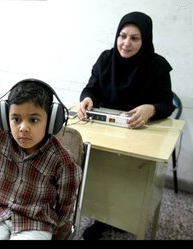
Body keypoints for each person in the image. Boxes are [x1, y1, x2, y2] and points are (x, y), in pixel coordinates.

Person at [77, 11, 175, 240]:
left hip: (140, 134)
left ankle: (126, 216)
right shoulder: (106, 59)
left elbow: (166, 103)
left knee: (130, 184)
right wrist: (87, 99)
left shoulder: (157, 66)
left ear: (145, 40)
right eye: (122, 36)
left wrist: (151, 108)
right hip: (107, 133)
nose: (126, 43)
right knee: (103, 177)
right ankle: (102, 217)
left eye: (134, 38)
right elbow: (91, 88)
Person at [0, 79, 82, 240]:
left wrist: (55, 226)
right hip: (0, 214)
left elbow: (66, 204)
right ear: (6, 118)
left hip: (36, 222)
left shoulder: (62, 160)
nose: (23, 128)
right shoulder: (1, 139)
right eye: (16, 119)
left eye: (33, 120)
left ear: (52, 121)